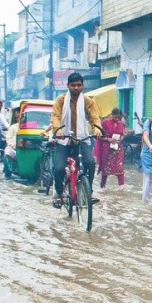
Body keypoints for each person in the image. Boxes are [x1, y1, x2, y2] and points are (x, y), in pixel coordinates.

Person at [50, 72, 102, 208]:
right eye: (73, 85)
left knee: (90, 162)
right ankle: (59, 193)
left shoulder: (88, 101)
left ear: (83, 86)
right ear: (68, 86)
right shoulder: (60, 100)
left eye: (79, 85)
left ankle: (87, 191)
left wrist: (97, 129)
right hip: (64, 140)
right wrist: (58, 130)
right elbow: (55, 117)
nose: (76, 88)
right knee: (59, 168)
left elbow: (94, 117)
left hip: (81, 138)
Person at [93, 108, 127, 189]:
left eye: (119, 118)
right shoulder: (105, 123)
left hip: (118, 149)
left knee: (120, 169)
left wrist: (120, 139)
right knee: (106, 169)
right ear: (111, 115)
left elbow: (122, 134)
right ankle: (102, 187)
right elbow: (99, 136)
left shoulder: (121, 123)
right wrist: (109, 139)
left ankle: (122, 189)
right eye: (115, 117)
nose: (117, 119)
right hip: (107, 148)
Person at [3, 109, 19, 179]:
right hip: (14, 148)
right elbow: (8, 138)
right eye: (17, 117)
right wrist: (11, 145)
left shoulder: (30, 126)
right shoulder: (13, 127)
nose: (18, 118)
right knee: (8, 151)